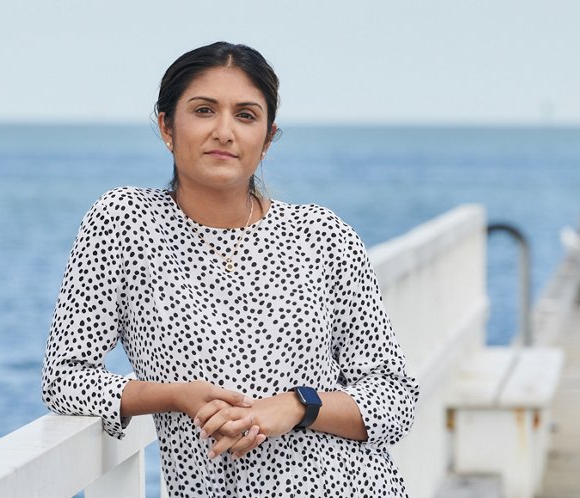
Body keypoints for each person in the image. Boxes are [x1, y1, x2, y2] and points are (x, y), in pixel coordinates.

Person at [41, 42, 420, 496]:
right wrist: (174, 394)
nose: (224, 131)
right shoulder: (124, 222)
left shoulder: (322, 235)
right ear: (166, 125)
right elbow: (64, 377)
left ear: (268, 138)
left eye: (245, 115)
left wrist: (300, 405)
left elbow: (394, 397)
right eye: (204, 110)